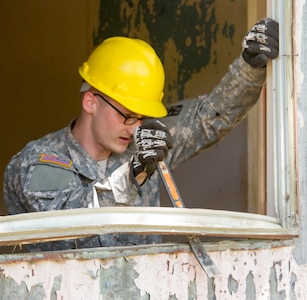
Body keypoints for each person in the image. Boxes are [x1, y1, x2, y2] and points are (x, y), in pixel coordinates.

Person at [3, 18, 279, 252]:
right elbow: (71, 219)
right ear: (91, 102)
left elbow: (210, 117)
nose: (136, 127)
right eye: (127, 115)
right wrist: (132, 174)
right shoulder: (36, 162)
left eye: (142, 117)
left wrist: (250, 66)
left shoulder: (142, 143)